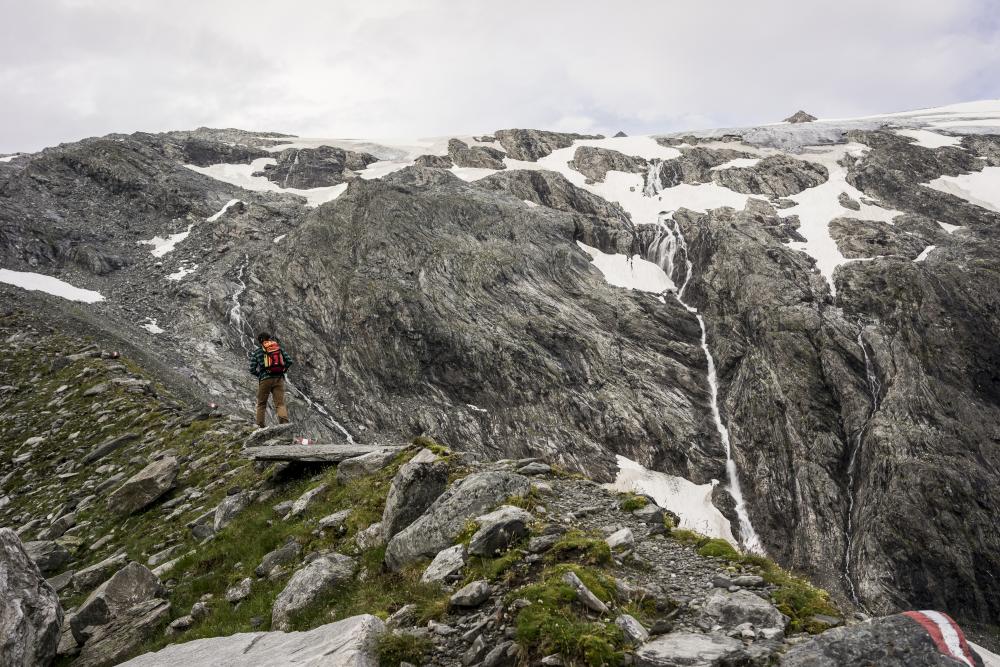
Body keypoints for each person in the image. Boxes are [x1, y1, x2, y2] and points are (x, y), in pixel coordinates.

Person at [249, 332, 294, 427]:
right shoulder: (278, 348)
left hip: (265, 380)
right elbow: (289, 361)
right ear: (269, 338)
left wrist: (260, 375)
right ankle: (284, 425)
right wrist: (282, 370)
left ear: (260, 340)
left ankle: (260, 426)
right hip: (278, 378)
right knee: (280, 404)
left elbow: (252, 369)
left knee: (261, 404)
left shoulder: (257, 352)